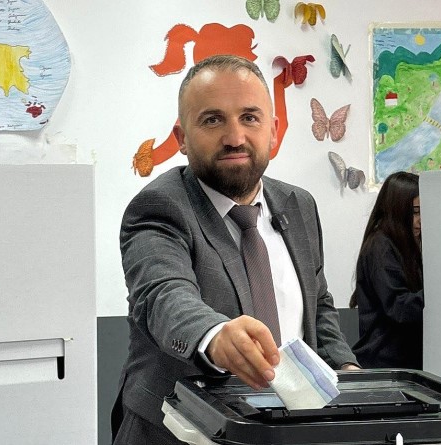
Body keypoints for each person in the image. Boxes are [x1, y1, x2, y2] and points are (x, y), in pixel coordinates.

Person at [112, 54, 358, 445]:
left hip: (286, 429)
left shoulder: (299, 204)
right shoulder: (159, 207)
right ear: (181, 138)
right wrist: (215, 335)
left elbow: (318, 304)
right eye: (212, 120)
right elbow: (163, 294)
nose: (235, 137)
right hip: (179, 433)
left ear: (273, 130)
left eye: (249, 117)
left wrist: (344, 367)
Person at [349, 171, 424, 369]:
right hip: (385, 363)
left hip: (404, 362)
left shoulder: (410, 244)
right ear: (398, 209)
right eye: (415, 212)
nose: (421, 220)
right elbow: (399, 307)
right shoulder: (380, 246)